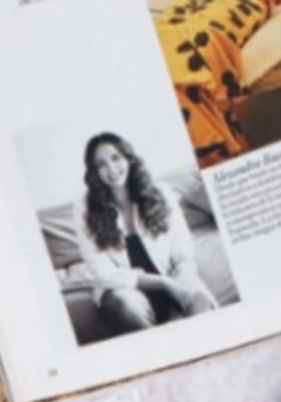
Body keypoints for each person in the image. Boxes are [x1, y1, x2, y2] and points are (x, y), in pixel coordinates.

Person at [72, 133, 217, 334]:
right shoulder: (84, 208)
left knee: (200, 304)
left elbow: (182, 247)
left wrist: (183, 279)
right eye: (101, 164)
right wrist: (163, 284)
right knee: (126, 307)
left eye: (115, 158)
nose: (111, 169)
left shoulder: (160, 192)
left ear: (128, 158)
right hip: (125, 289)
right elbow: (103, 272)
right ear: (94, 171)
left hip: (171, 274)